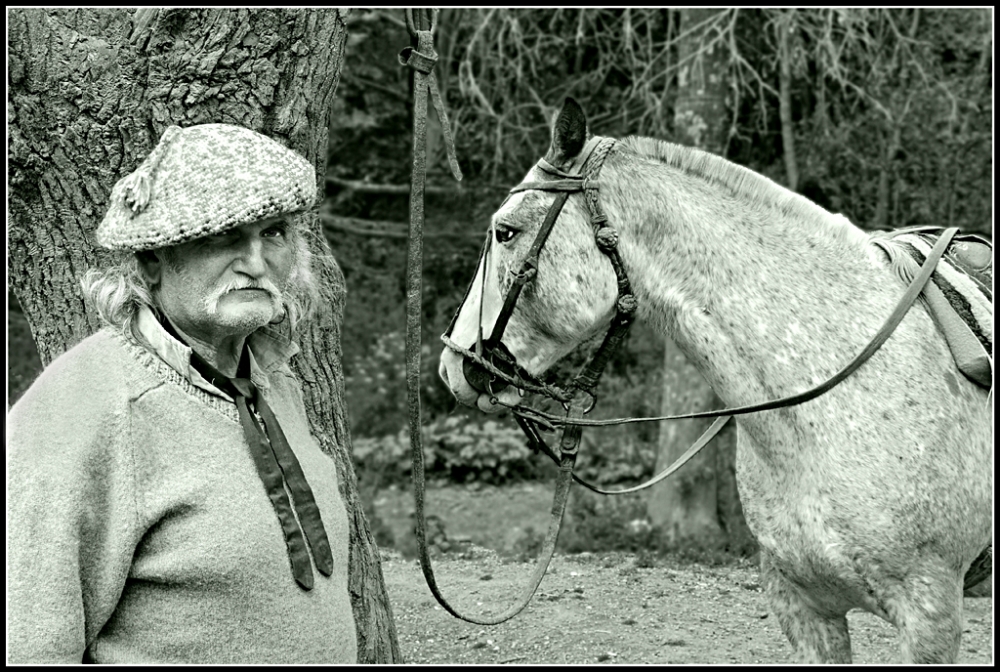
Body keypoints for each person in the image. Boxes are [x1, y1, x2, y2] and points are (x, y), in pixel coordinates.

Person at [7, 124, 358, 663]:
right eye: (223, 237)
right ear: (152, 259)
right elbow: (27, 642)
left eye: (274, 233)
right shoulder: (86, 407)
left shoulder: (269, 377)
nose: (256, 263)